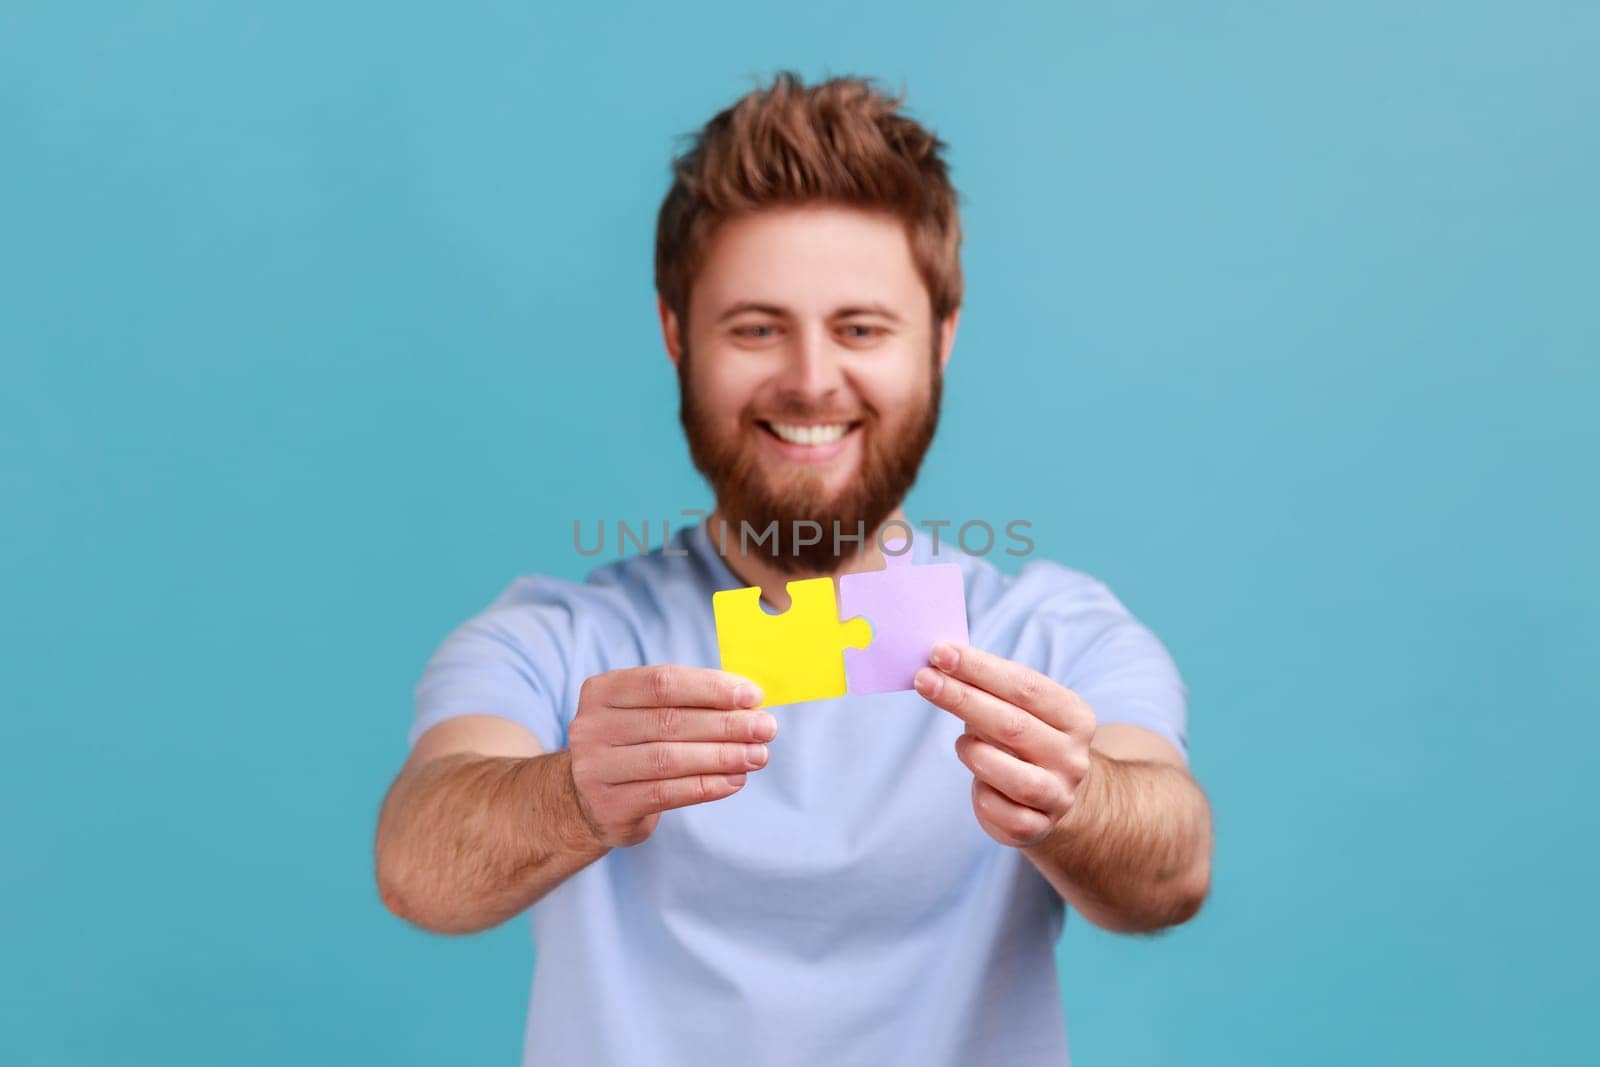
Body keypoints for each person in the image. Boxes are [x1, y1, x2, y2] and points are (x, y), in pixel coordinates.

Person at [374, 70, 1213, 1067]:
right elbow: (418, 861)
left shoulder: (1052, 632)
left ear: (940, 341)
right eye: (756, 326)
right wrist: (567, 793)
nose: (812, 379)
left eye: (860, 327)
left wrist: (1079, 799)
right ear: (676, 336)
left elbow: (1172, 863)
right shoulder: (559, 639)